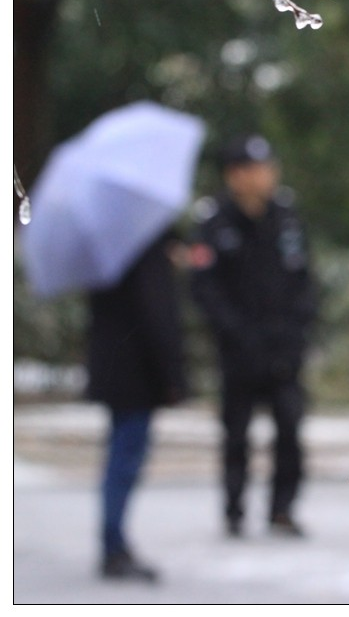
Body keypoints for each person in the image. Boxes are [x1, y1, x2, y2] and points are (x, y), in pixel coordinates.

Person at [189, 134, 317, 538]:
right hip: (238, 349)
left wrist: (299, 331)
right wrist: (234, 331)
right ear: (236, 175)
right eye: (258, 169)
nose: (267, 176)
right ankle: (234, 509)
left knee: (289, 430)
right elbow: (204, 288)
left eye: (269, 167)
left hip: (283, 349)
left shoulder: (287, 217)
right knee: (236, 434)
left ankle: (282, 508)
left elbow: (306, 281)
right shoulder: (214, 221)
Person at [87, 229, 189, 582]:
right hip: (136, 374)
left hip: (115, 367)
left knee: (119, 456)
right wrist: (173, 377)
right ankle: (113, 546)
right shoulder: (144, 244)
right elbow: (156, 315)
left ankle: (113, 543)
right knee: (124, 460)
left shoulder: (107, 241)